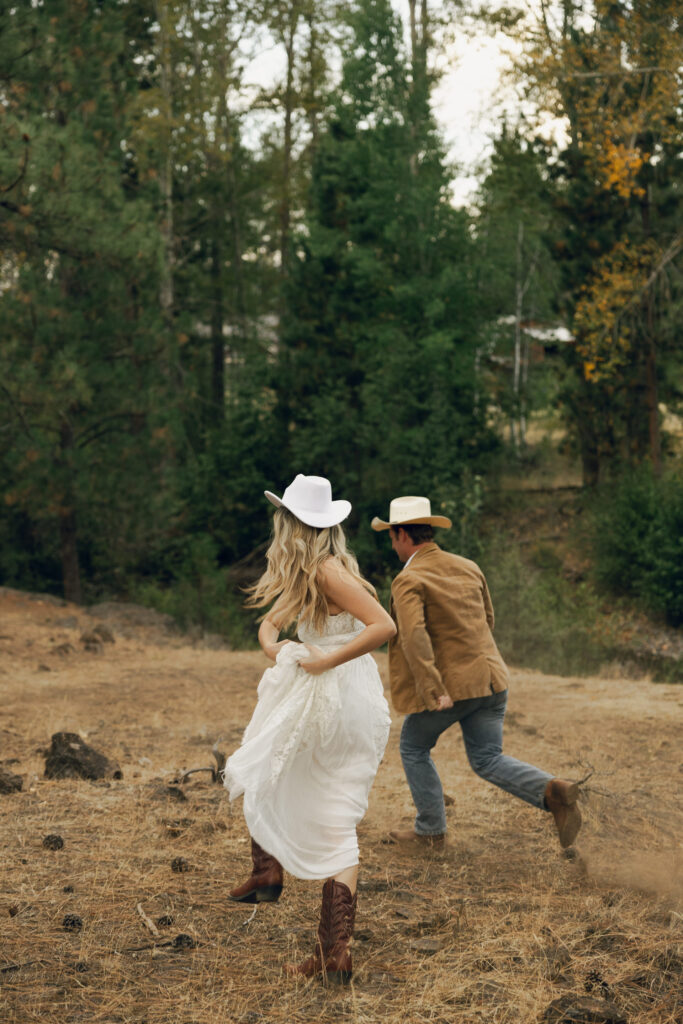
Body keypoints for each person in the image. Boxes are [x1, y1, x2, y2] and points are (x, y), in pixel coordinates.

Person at [224, 474, 395, 984]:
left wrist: (324, 662)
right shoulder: (311, 576)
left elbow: (385, 626)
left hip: (341, 699)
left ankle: (274, 877)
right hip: (335, 702)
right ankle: (328, 947)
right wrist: (279, 648)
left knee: (283, 776)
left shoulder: (328, 573)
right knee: (272, 768)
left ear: (293, 526)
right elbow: (268, 624)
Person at [371, 494, 581, 850]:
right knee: (487, 758)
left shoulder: (408, 579)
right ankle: (553, 790)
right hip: (492, 679)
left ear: (403, 535)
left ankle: (430, 832)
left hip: (454, 689)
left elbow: (413, 637)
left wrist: (434, 688)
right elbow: (488, 619)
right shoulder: (468, 565)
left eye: (392, 537)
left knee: (412, 745)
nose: (392, 545)